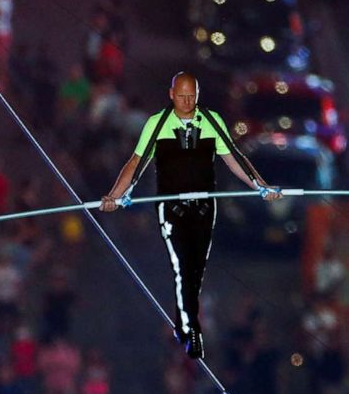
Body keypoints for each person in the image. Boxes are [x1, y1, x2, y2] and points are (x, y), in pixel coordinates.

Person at [98, 71, 281, 359]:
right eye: (181, 96)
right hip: (172, 207)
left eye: (191, 96)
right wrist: (116, 195)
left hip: (204, 207)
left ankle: (188, 322)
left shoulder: (211, 121)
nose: (186, 102)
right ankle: (189, 326)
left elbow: (234, 158)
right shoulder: (157, 124)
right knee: (184, 265)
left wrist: (260, 185)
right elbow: (137, 162)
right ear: (171, 95)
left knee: (194, 267)